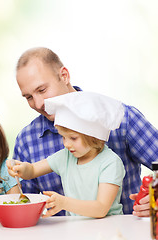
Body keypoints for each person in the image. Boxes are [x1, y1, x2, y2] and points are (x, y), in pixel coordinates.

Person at [13, 47, 158, 217]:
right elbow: (23, 204)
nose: (38, 104)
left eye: (42, 90)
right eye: (28, 97)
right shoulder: (27, 140)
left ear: (64, 76)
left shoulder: (122, 119)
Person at [8, 91, 126, 217]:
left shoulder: (110, 163)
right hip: (76, 229)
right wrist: (21, 169)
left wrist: (63, 202)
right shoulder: (66, 157)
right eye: (63, 137)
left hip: (108, 230)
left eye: (73, 138)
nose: (66, 144)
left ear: (94, 136)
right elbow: (33, 170)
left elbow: (101, 209)